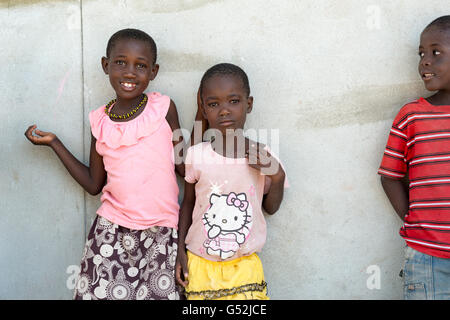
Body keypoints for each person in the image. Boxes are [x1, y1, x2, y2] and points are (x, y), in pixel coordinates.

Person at [24, 28, 201, 300]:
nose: (129, 72)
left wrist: (204, 119)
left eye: (140, 66)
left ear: (153, 72)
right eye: (120, 62)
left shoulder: (164, 108)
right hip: (110, 231)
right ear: (105, 65)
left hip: (162, 233)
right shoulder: (99, 122)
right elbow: (95, 185)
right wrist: (55, 143)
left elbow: (184, 167)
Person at [175, 63, 288, 300]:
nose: (224, 110)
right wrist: (180, 252)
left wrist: (277, 176)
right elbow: (188, 204)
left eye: (233, 101)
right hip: (200, 263)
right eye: (214, 104)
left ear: (249, 104)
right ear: (204, 111)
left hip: (245, 267)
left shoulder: (262, 155)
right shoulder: (197, 155)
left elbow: (270, 208)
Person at [378, 16, 450, 299]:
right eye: (422, 54)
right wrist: (413, 221)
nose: (425, 62)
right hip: (426, 258)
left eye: (436, 52)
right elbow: (390, 177)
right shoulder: (411, 116)